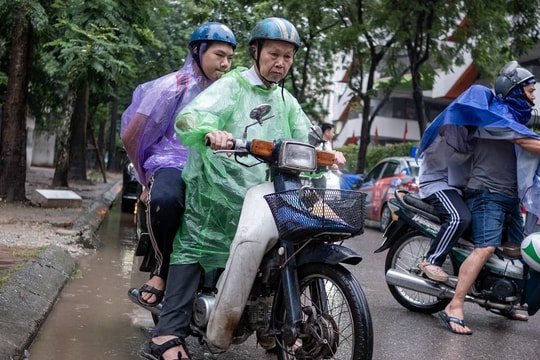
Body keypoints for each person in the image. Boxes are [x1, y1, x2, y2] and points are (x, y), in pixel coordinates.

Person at [141, 17, 345, 360]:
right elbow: (191, 117)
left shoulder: (286, 100)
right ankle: (168, 333)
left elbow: (304, 136)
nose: (280, 63)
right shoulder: (232, 86)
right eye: (274, 54)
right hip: (215, 191)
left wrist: (326, 152)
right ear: (256, 52)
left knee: (283, 249)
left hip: (262, 192)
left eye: (287, 57)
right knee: (195, 246)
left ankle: (272, 323)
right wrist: (211, 131)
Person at [417, 61, 540, 335]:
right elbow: (525, 142)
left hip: (508, 197)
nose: (533, 97)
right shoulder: (496, 118)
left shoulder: (513, 119)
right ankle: (454, 305)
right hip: (487, 195)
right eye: (530, 91)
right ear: (515, 90)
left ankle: (502, 301)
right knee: (485, 248)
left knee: (517, 252)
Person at [120, 22, 236, 308]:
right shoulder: (171, 87)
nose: (225, 64)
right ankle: (161, 270)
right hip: (171, 162)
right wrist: (146, 181)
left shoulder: (231, 91)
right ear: (198, 51)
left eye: (231, 58)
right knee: (166, 199)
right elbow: (133, 135)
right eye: (219, 55)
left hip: (214, 167)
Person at [417, 125, 474, 282]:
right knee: (459, 218)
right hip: (437, 183)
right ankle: (432, 260)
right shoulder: (447, 126)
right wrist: (445, 124)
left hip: (460, 187)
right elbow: (426, 146)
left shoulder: (478, 131)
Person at [311, 123, 341, 189]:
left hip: (327, 173)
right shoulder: (318, 143)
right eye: (332, 132)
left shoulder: (328, 143)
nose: (334, 134)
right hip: (318, 174)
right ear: (327, 131)